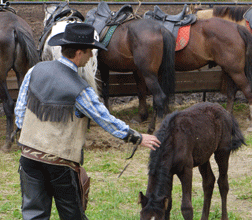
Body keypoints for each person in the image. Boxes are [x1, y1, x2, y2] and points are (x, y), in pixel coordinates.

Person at [14, 22, 161, 220]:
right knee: (73, 216)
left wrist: (31, 140)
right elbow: (104, 119)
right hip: (60, 164)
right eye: (90, 51)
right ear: (79, 53)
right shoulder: (80, 89)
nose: (92, 56)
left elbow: (20, 111)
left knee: (34, 216)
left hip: (29, 158)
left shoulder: (35, 71)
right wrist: (136, 137)